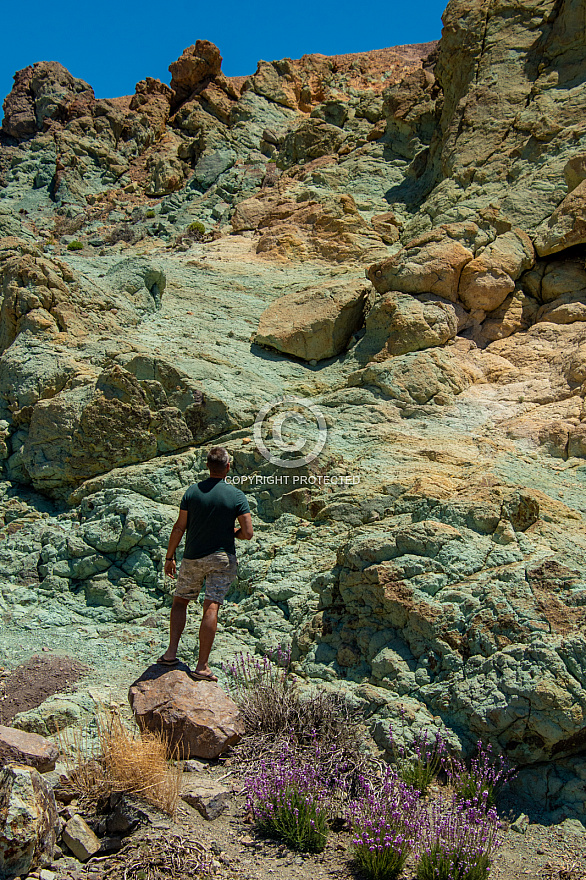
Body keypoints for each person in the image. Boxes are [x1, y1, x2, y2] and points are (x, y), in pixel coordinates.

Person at [158, 445, 253, 681]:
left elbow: (180, 526)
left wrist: (169, 557)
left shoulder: (192, 492)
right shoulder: (236, 496)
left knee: (180, 602)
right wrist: (233, 533)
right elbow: (248, 533)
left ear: (208, 466)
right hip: (222, 558)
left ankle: (170, 654)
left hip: (193, 557)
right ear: (228, 467)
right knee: (211, 606)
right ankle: (201, 666)